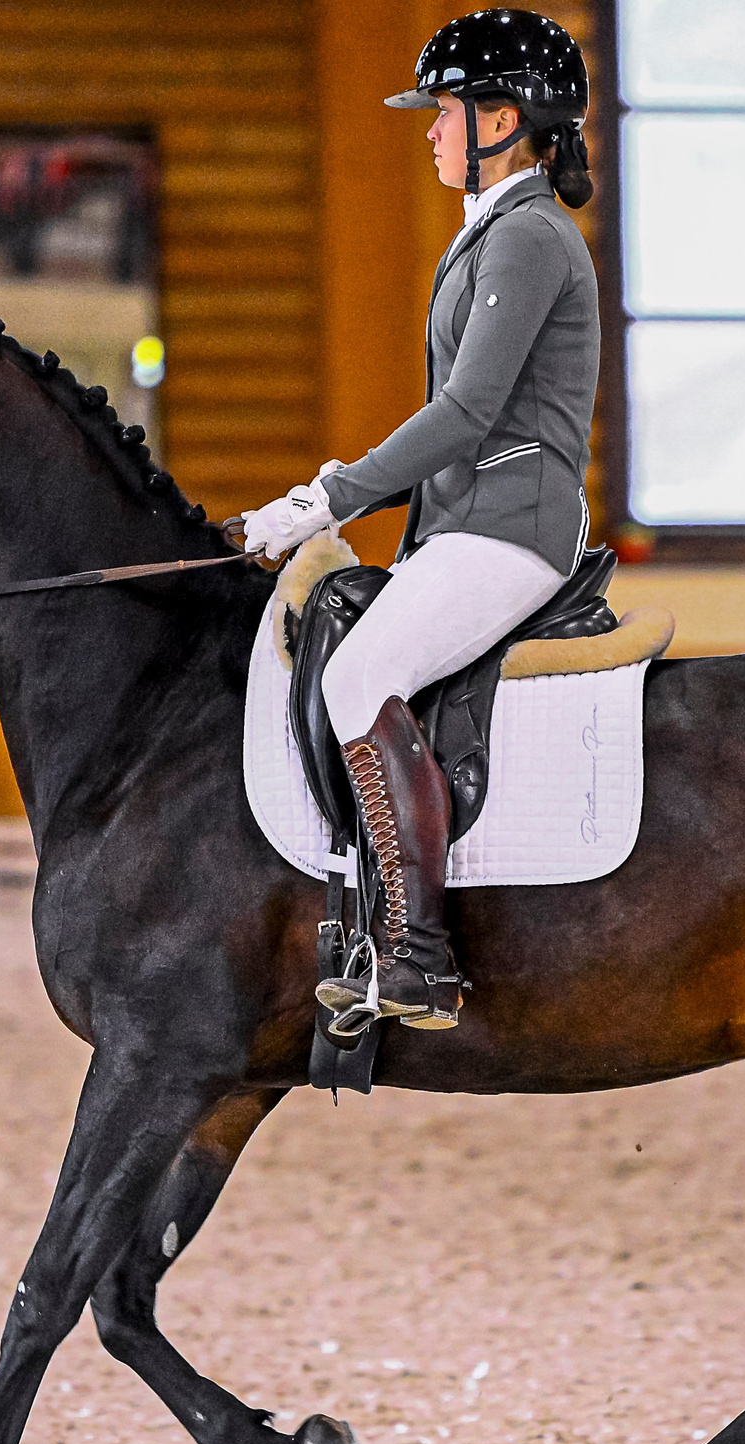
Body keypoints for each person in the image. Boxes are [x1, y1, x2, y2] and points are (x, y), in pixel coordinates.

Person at [241, 7, 598, 1035]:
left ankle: (419, 954)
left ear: (504, 117)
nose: (431, 129)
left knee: (358, 674)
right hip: (466, 521)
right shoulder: (491, 232)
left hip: (509, 525)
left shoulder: (528, 235)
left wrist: (326, 498)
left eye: (443, 110)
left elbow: (468, 414)